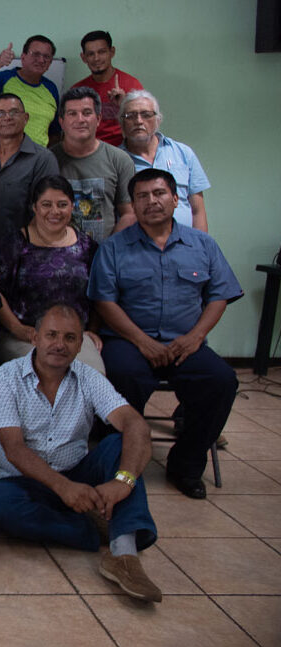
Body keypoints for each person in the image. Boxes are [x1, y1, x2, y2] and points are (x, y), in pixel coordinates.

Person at [0, 304, 161, 603]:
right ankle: (99, 527)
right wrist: (63, 488)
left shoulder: (89, 378)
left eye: (69, 338)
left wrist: (124, 481)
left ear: (81, 345)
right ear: (35, 338)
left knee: (121, 444)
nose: (59, 345)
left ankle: (125, 556)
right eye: (51, 335)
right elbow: (13, 450)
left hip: (79, 471)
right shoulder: (5, 377)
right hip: (22, 481)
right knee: (0, 505)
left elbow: (135, 425)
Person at [88, 169, 243, 499]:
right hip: (129, 341)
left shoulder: (202, 245)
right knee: (120, 377)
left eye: (158, 194)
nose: (151, 202)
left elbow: (219, 295)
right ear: (133, 204)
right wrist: (142, 342)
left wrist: (196, 336)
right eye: (142, 196)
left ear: (175, 199)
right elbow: (104, 301)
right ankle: (119, 461)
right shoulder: (114, 248)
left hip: (185, 341)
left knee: (221, 381)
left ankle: (186, 465)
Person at [0, 175, 104, 373]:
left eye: (62, 204)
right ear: (35, 208)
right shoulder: (15, 243)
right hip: (26, 336)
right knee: (49, 373)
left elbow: (98, 293)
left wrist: (92, 331)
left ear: (72, 207)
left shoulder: (87, 247)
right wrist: (17, 328)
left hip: (73, 335)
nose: (54, 211)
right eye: (46, 204)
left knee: (91, 378)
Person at [0, 93, 60, 251]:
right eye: (0, 113)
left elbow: (47, 211)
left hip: (25, 254)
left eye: (14, 112)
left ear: (26, 118)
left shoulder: (43, 159)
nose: (7, 118)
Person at [51, 86, 136, 243]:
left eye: (87, 113)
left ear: (98, 119)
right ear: (61, 122)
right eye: (72, 114)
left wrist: (107, 252)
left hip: (105, 255)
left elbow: (129, 214)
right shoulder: (48, 160)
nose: (80, 119)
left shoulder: (119, 160)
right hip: (58, 256)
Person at [119, 90, 210, 232]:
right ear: (122, 123)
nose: (138, 121)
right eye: (130, 116)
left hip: (184, 245)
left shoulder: (183, 153)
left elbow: (197, 210)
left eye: (146, 114)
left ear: (158, 120)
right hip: (136, 249)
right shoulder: (115, 160)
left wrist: (199, 248)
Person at [0, 35, 61, 147]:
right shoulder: (3, 79)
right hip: (5, 155)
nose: (41, 60)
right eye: (36, 54)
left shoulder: (51, 88)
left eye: (46, 56)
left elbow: (54, 132)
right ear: (23, 57)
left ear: (50, 62)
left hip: (38, 159)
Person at [72, 30, 143, 146]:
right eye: (91, 54)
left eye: (102, 52)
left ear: (112, 52)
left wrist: (125, 105)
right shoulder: (77, 90)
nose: (96, 58)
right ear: (83, 57)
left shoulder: (131, 85)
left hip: (125, 150)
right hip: (88, 151)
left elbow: (143, 125)